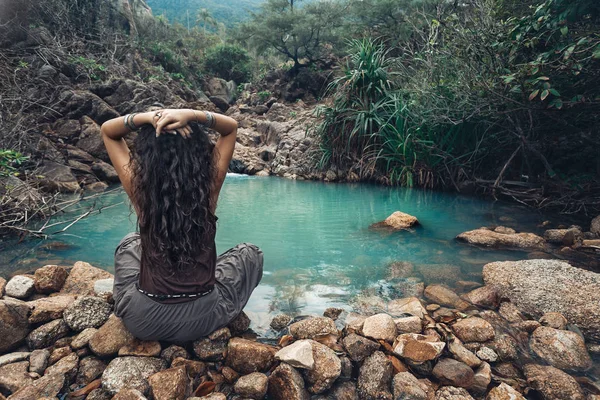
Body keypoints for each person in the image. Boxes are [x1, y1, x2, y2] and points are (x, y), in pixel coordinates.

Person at [101, 107, 263, 342]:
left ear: (148, 158)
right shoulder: (207, 191)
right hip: (201, 320)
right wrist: (193, 115)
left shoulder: (142, 193)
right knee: (250, 253)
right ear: (198, 155)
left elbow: (108, 132)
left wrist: (147, 118)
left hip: (143, 321)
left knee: (130, 243)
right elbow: (230, 129)